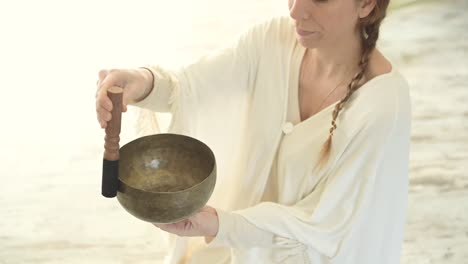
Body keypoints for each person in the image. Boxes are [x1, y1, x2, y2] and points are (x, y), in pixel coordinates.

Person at [95, 0, 412, 263]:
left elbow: (326, 224)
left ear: (367, 4)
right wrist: (141, 82)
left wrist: (222, 223)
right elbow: (192, 87)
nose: (295, 10)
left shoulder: (383, 105)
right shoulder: (273, 40)